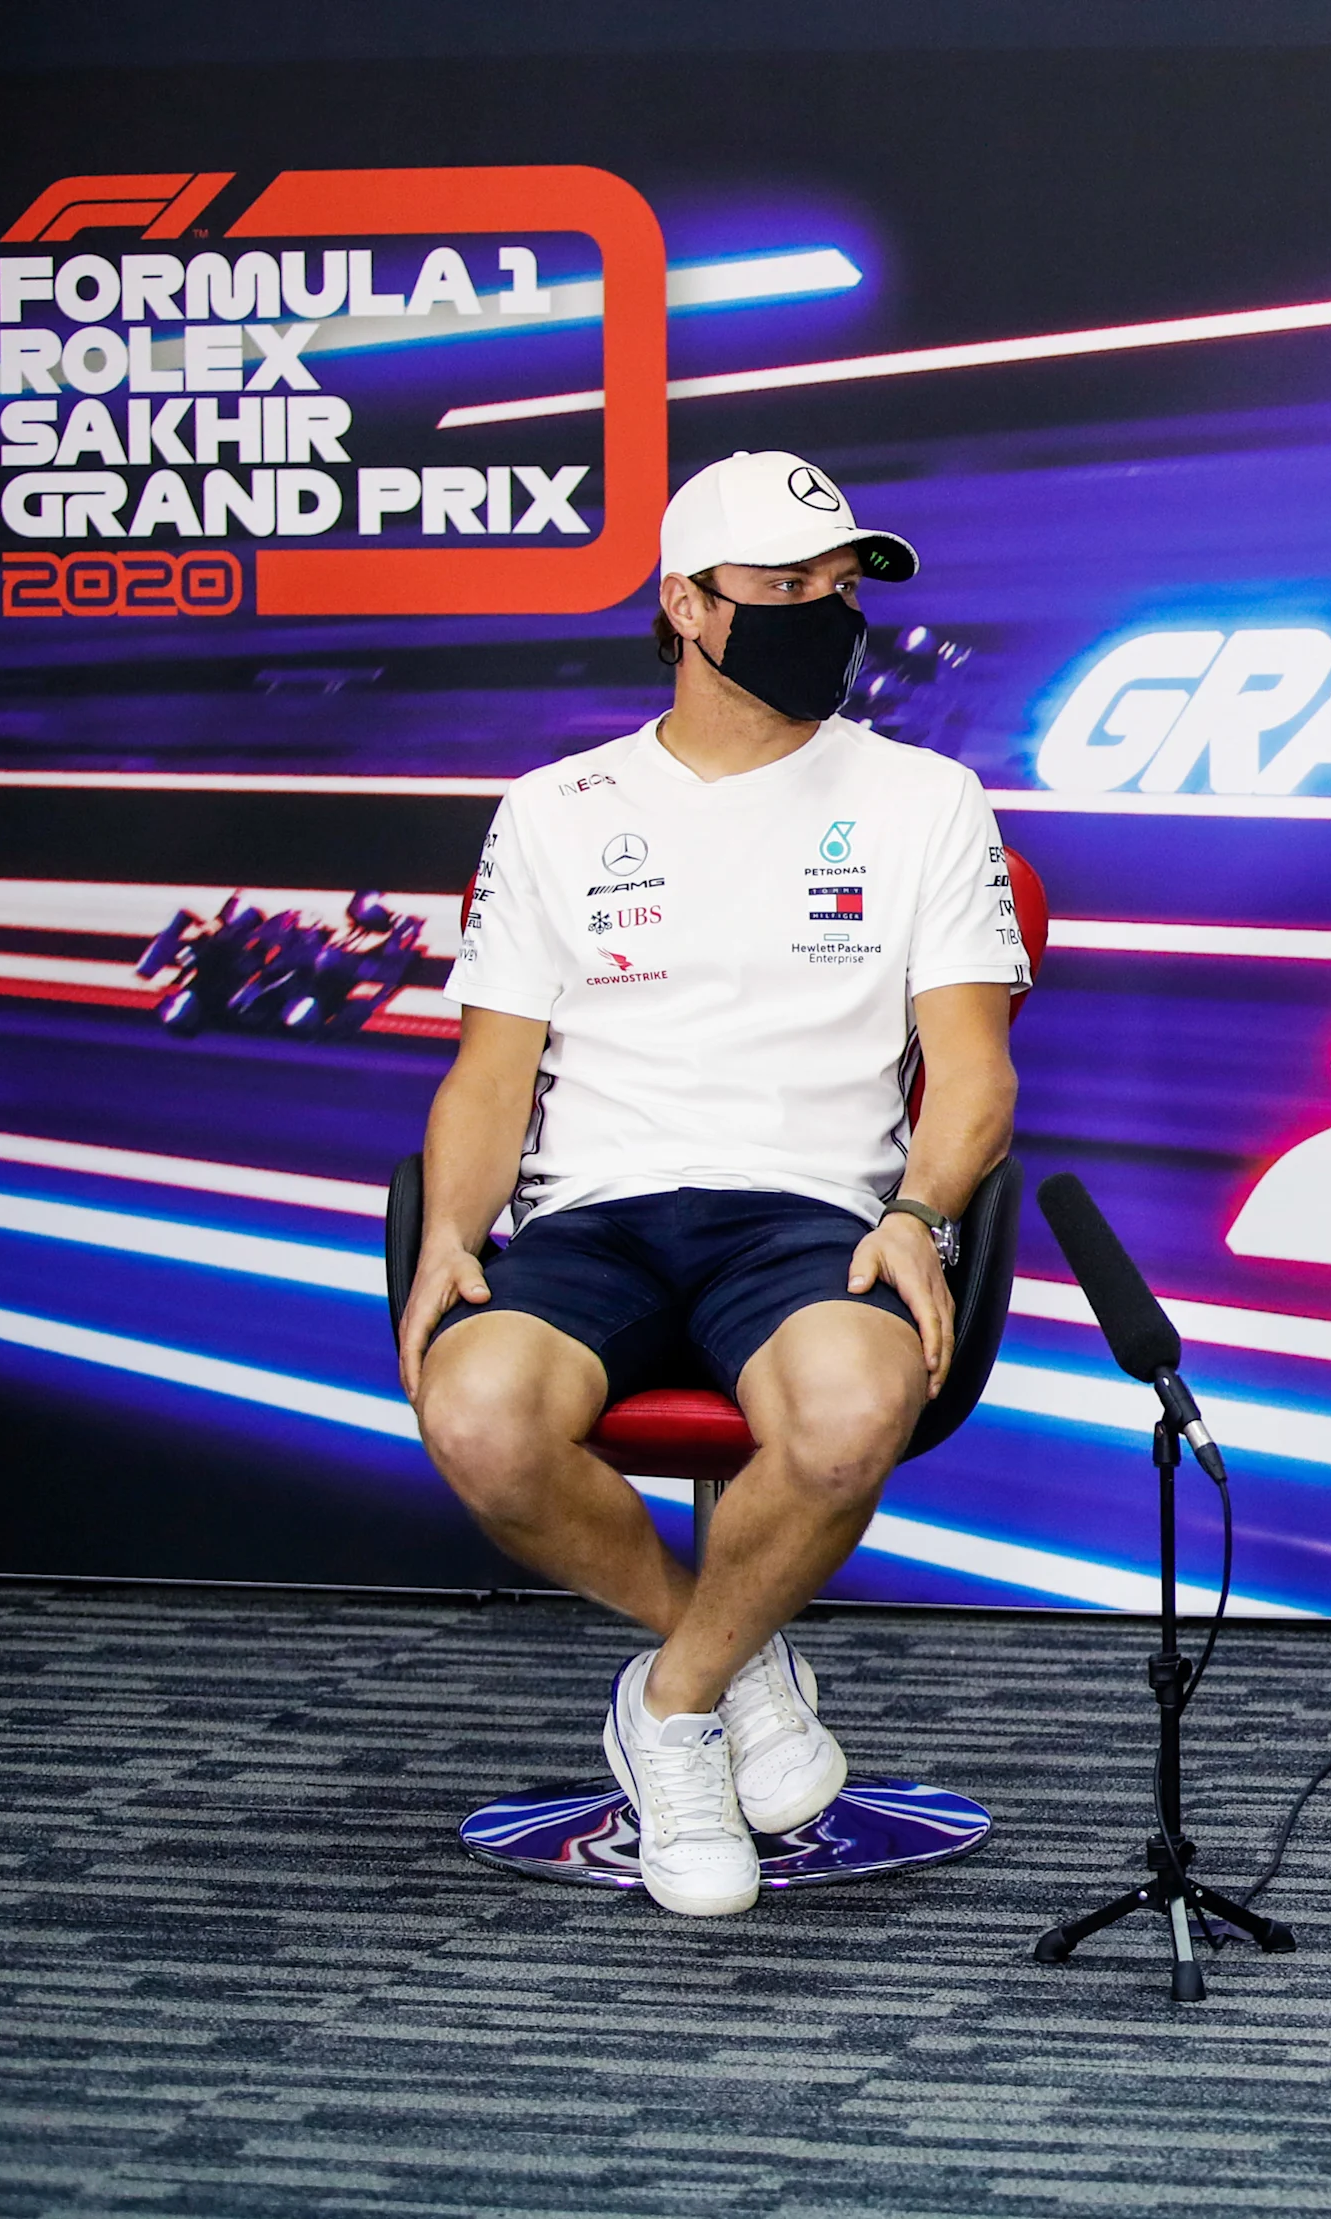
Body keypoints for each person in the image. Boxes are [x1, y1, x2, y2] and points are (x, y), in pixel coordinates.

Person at [394, 451, 1027, 1917]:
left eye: (839, 589)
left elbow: (976, 1075)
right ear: (685, 603)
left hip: (812, 1211)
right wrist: (446, 1226)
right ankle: (736, 1667)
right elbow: (492, 1076)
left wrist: (921, 1217)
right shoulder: (557, 807)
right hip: (594, 1216)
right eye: (786, 589)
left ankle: (672, 1709)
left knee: (858, 1402)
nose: (825, 615)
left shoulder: (926, 798)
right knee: (477, 1415)